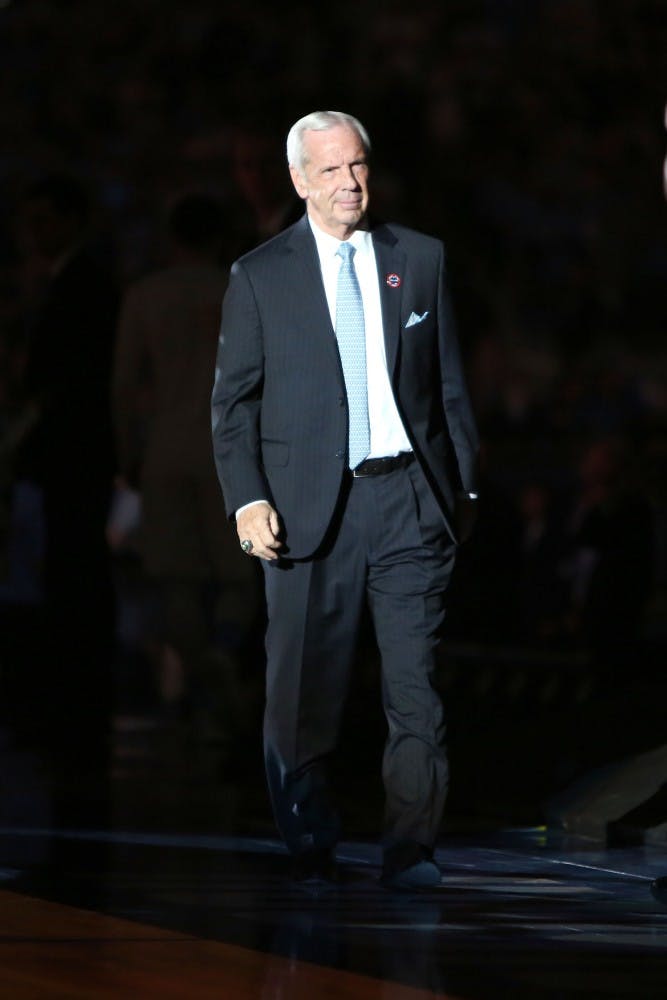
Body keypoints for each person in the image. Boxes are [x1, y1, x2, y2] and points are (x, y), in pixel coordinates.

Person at [211, 111, 479, 889]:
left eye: (356, 165)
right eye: (329, 170)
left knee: (415, 687)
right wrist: (247, 500)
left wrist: (462, 490)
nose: (349, 183)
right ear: (299, 181)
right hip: (305, 508)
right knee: (300, 687)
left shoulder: (418, 258)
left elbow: (446, 384)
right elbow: (233, 404)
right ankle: (308, 835)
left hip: (409, 502)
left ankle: (411, 847)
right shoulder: (259, 275)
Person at [113, 194, 261, 742]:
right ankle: (222, 654)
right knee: (238, 573)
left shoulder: (146, 295)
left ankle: (203, 675)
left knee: (176, 578)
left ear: (172, 237)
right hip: (231, 449)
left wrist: (126, 452)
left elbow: (124, 386)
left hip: (167, 448)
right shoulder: (243, 287)